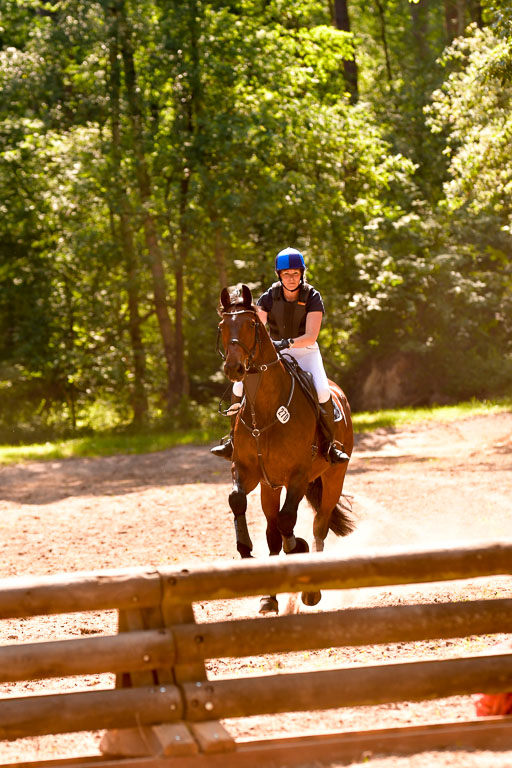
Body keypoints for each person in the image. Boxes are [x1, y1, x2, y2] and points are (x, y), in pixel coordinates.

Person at [211, 247, 350, 464]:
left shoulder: (312, 296)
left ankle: (329, 445)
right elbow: (258, 325)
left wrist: (287, 342)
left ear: (301, 273)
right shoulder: (269, 296)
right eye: (286, 274)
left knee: (323, 391)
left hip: (305, 352)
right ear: (279, 275)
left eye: (295, 273)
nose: (291, 278)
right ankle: (232, 441)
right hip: (276, 354)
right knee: (239, 386)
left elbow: (311, 336)